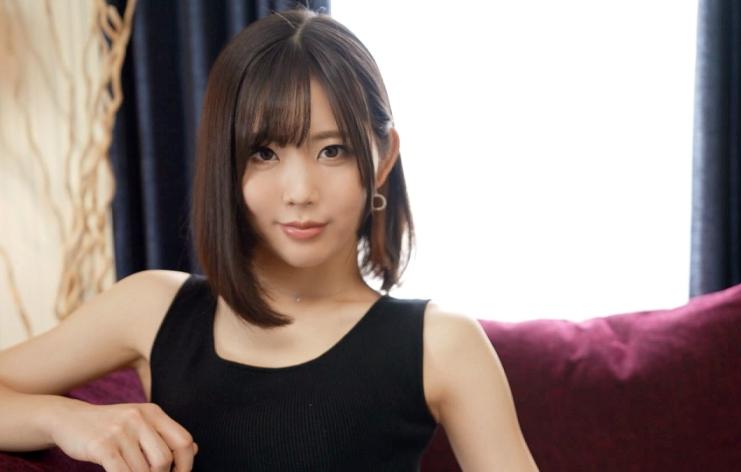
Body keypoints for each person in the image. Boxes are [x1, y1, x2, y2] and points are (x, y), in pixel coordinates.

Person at [0, 7, 538, 472]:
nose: (300, 192)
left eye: (333, 151)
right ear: (226, 163)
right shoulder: (152, 308)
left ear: (383, 159)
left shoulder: (442, 343)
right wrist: (65, 418)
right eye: (264, 153)